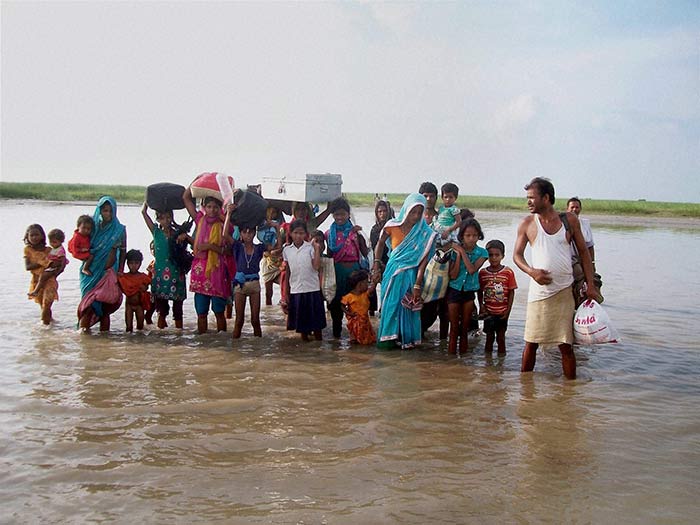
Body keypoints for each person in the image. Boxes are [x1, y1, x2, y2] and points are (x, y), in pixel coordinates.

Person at [513, 177, 599, 379]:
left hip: (564, 291)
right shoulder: (527, 223)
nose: (529, 202)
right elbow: (517, 255)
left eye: (532, 198)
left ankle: (570, 387)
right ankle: (526, 390)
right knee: (531, 343)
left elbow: (585, 254)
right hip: (539, 294)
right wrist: (531, 272)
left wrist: (591, 284)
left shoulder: (568, 221)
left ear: (546, 198)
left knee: (565, 345)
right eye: (527, 198)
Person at [372, 193, 437, 349]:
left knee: (407, 307)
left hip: (410, 275)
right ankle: (387, 340)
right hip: (392, 272)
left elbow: (423, 262)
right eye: (412, 211)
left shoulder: (425, 233)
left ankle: (405, 340)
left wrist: (417, 284)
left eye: (419, 213)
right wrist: (376, 264)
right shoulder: (391, 226)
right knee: (389, 304)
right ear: (406, 209)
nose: (415, 216)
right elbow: (380, 244)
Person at [183, 186, 235, 334]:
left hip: (217, 273)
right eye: (209, 207)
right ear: (204, 207)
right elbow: (186, 198)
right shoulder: (200, 219)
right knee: (201, 313)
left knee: (219, 312)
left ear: (220, 208)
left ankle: (222, 339)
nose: (212, 210)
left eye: (215, 207)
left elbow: (228, 251)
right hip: (200, 274)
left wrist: (210, 246)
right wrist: (194, 183)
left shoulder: (225, 225)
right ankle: (203, 344)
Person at [78, 196, 127, 333]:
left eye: (110, 211)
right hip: (90, 272)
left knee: (105, 308)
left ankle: (105, 336)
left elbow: (123, 251)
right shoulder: (91, 227)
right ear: (99, 211)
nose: (108, 214)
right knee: (88, 306)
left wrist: (121, 270)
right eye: (105, 211)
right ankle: (85, 338)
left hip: (109, 272)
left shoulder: (119, 229)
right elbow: (78, 245)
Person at [325, 198, 369, 338]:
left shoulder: (355, 232)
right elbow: (330, 255)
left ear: (348, 214)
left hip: (354, 274)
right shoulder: (329, 234)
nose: (339, 217)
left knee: (357, 306)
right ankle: (336, 336)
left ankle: (358, 336)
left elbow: (365, 252)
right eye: (336, 214)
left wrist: (360, 235)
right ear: (332, 215)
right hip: (337, 272)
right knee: (336, 306)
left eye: (342, 214)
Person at [141, 203, 189, 329]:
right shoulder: (156, 232)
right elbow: (144, 214)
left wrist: (185, 237)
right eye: (162, 218)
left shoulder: (178, 234)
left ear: (172, 218)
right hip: (160, 277)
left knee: (178, 310)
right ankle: (161, 335)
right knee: (161, 310)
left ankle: (179, 333)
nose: (166, 220)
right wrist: (147, 203)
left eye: (168, 217)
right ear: (158, 220)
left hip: (177, 275)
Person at [446, 218, 488, 355]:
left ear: (479, 236)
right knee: (453, 329)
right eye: (468, 235)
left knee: (464, 328)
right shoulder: (454, 251)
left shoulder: (482, 253)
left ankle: (463, 358)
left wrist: (462, 252)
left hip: (469, 292)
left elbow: (471, 270)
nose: (471, 239)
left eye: (475, 235)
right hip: (454, 290)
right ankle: (451, 363)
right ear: (462, 236)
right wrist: (458, 255)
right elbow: (453, 275)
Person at [224, 207, 266, 338]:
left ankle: (258, 348)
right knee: (239, 321)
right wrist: (229, 214)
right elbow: (225, 235)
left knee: (255, 320)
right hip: (240, 285)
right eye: (245, 232)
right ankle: (235, 350)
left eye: (250, 232)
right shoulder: (237, 247)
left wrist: (276, 227)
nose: (248, 234)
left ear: (254, 233)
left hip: (254, 284)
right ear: (240, 234)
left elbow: (276, 246)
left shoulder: (259, 248)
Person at [282, 219, 326, 341]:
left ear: (306, 234)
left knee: (317, 326)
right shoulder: (287, 250)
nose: (298, 236)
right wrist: (286, 293)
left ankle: (319, 348)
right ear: (291, 233)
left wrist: (316, 249)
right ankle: (306, 350)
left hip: (312, 289)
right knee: (302, 328)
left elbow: (316, 266)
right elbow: (288, 271)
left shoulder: (310, 248)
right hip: (296, 290)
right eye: (296, 233)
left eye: (301, 233)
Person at [478, 239, 518, 354]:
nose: (494, 258)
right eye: (491, 255)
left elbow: (511, 292)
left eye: (497, 255)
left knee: (501, 339)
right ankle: (488, 366)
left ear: (503, 256)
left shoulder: (508, 272)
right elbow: (480, 291)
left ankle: (501, 365)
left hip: (502, 313)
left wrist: (508, 311)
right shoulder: (483, 273)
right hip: (488, 313)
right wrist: (481, 306)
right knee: (489, 339)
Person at [24, 224, 61, 325]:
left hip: (49, 280)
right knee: (43, 306)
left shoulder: (49, 250)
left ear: (42, 236)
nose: (34, 237)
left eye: (37, 235)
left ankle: (45, 327)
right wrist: (42, 262)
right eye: (31, 235)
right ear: (27, 237)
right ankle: (49, 328)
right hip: (36, 280)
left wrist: (55, 273)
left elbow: (59, 263)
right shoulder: (28, 250)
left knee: (47, 304)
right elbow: (28, 267)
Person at [117, 249, 152, 332]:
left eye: (136, 263)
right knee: (128, 328)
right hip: (129, 305)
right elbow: (117, 284)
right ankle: (129, 343)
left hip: (140, 305)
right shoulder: (124, 277)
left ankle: (139, 343)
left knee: (140, 327)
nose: (133, 266)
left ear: (140, 264)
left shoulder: (143, 277)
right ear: (127, 263)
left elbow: (149, 285)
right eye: (131, 263)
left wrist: (145, 288)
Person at [369, 200, 392, 316]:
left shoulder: (393, 227)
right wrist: (377, 263)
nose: (382, 214)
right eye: (379, 211)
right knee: (372, 285)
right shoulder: (375, 229)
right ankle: (371, 311)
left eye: (384, 211)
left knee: (387, 288)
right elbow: (373, 247)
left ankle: (384, 309)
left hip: (390, 262)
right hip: (378, 261)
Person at [29, 228, 67, 298]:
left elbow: (63, 261)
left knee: (43, 277)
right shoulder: (54, 249)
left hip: (54, 267)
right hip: (51, 267)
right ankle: (37, 291)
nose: (52, 244)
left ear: (61, 241)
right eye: (51, 242)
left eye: (54, 242)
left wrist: (59, 270)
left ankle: (36, 291)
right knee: (43, 277)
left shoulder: (60, 250)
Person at [341, 269, 376, 345]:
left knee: (368, 340)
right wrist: (349, 313)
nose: (368, 285)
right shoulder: (349, 297)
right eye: (366, 282)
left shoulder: (365, 294)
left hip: (365, 321)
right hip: (355, 322)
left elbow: (372, 289)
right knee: (354, 339)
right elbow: (342, 306)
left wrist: (375, 281)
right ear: (360, 284)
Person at [566, 197, 595, 263]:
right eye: (572, 207)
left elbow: (590, 245)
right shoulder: (561, 223)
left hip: (582, 259)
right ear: (567, 209)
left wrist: (592, 262)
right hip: (568, 259)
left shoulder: (585, 224)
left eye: (577, 207)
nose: (574, 209)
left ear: (580, 209)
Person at [433, 182, 462, 247]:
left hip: (448, 229)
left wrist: (449, 230)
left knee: (447, 244)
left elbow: (459, 222)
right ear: (442, 197)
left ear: (455, 198)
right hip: (439, 229)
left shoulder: (454, 209)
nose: (448, 199)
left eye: (451, 197)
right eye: (446, 197)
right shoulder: (441, 208)